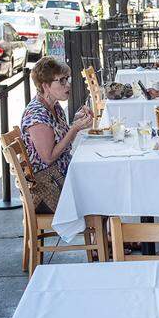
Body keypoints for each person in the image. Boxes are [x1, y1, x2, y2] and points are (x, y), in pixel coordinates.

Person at [20, 56, 92, 212]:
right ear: (45, 86)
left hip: (62, 176)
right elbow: (49, 157)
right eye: (61, 81)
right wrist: (74, 129)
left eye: (67, 79)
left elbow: (62, 143)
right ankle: (98, 226)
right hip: (47, 188)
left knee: (101, 180)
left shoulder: (54, 106)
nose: (68, 84)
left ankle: (102, 227)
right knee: (99, 192)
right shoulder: (37, 115)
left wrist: (76, 123)